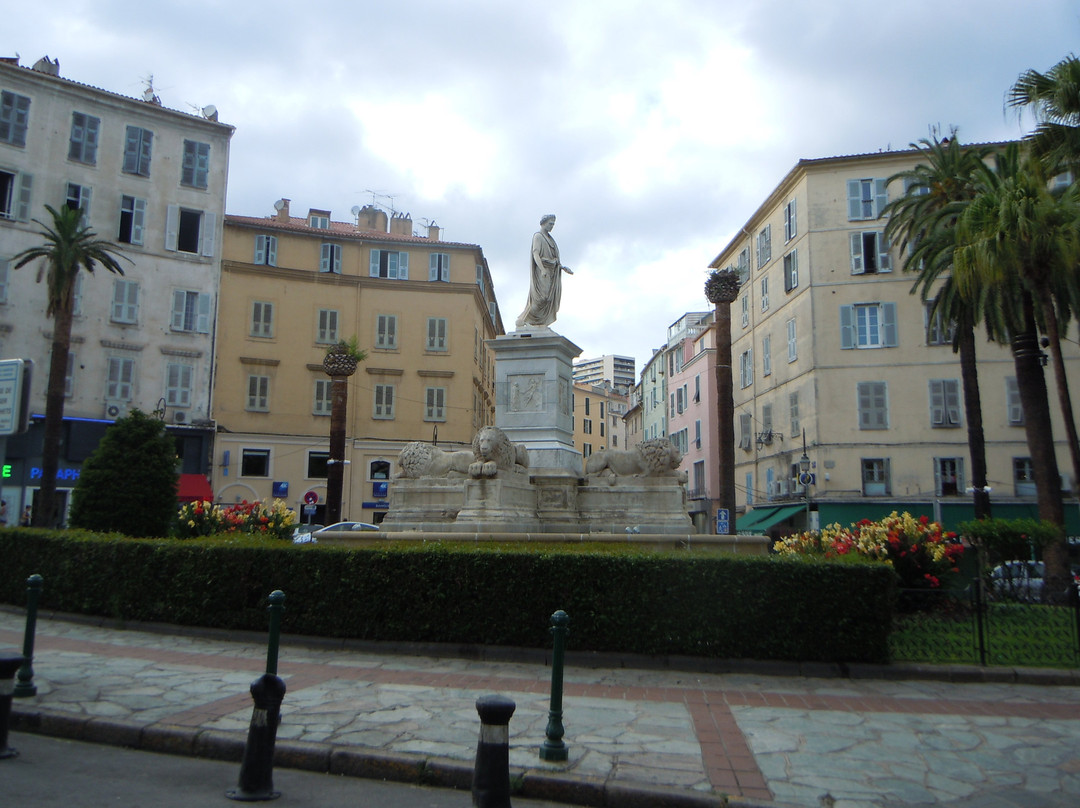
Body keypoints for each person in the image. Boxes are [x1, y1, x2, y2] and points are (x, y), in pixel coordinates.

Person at [515, 214, 573, 329]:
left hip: (552, 272)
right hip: (543, 271)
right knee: (541, 298)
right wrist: (542, 269)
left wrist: (562, 267)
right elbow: (535, 254)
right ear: (544, 223)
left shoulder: (551, 240)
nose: (552, 226)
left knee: (549, 299)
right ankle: (523, 320)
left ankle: (538, 323)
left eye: (553, 224)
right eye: (550, 224)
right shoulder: (538, 236)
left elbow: (554, 258)